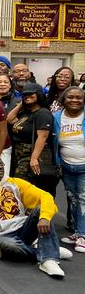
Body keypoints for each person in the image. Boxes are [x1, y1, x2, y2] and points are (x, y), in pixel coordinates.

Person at [0, 155, 71, 278]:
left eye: (1, 164)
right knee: (9, 246)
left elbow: (46, 196)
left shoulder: (16, 183)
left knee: (42, 210)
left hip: (23, 229)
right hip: (0, 235)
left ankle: (48, 260)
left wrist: (44, 218)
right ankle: (48, 250)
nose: (0, 167)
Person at [7, 83, 57, 196]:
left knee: (21, 188)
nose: (27, 96)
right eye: (24, 94)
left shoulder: (43, 113)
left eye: (30, 94)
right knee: (20, 188)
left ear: (38, 95)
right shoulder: (25, 113)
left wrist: (34, 159)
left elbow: (42, 136)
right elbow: (10, 120)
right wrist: (21, 104)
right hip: (19, 156)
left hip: (31, 156)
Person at [52, 86, 85, 251]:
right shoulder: (57, 117)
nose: (74, 100)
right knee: (72, 199)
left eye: (78, 97)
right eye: (70, 97)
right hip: (66, 165)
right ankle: (77, 232)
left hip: (84, 166)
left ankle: (82, 235)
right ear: (64, 100)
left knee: (83, 200)